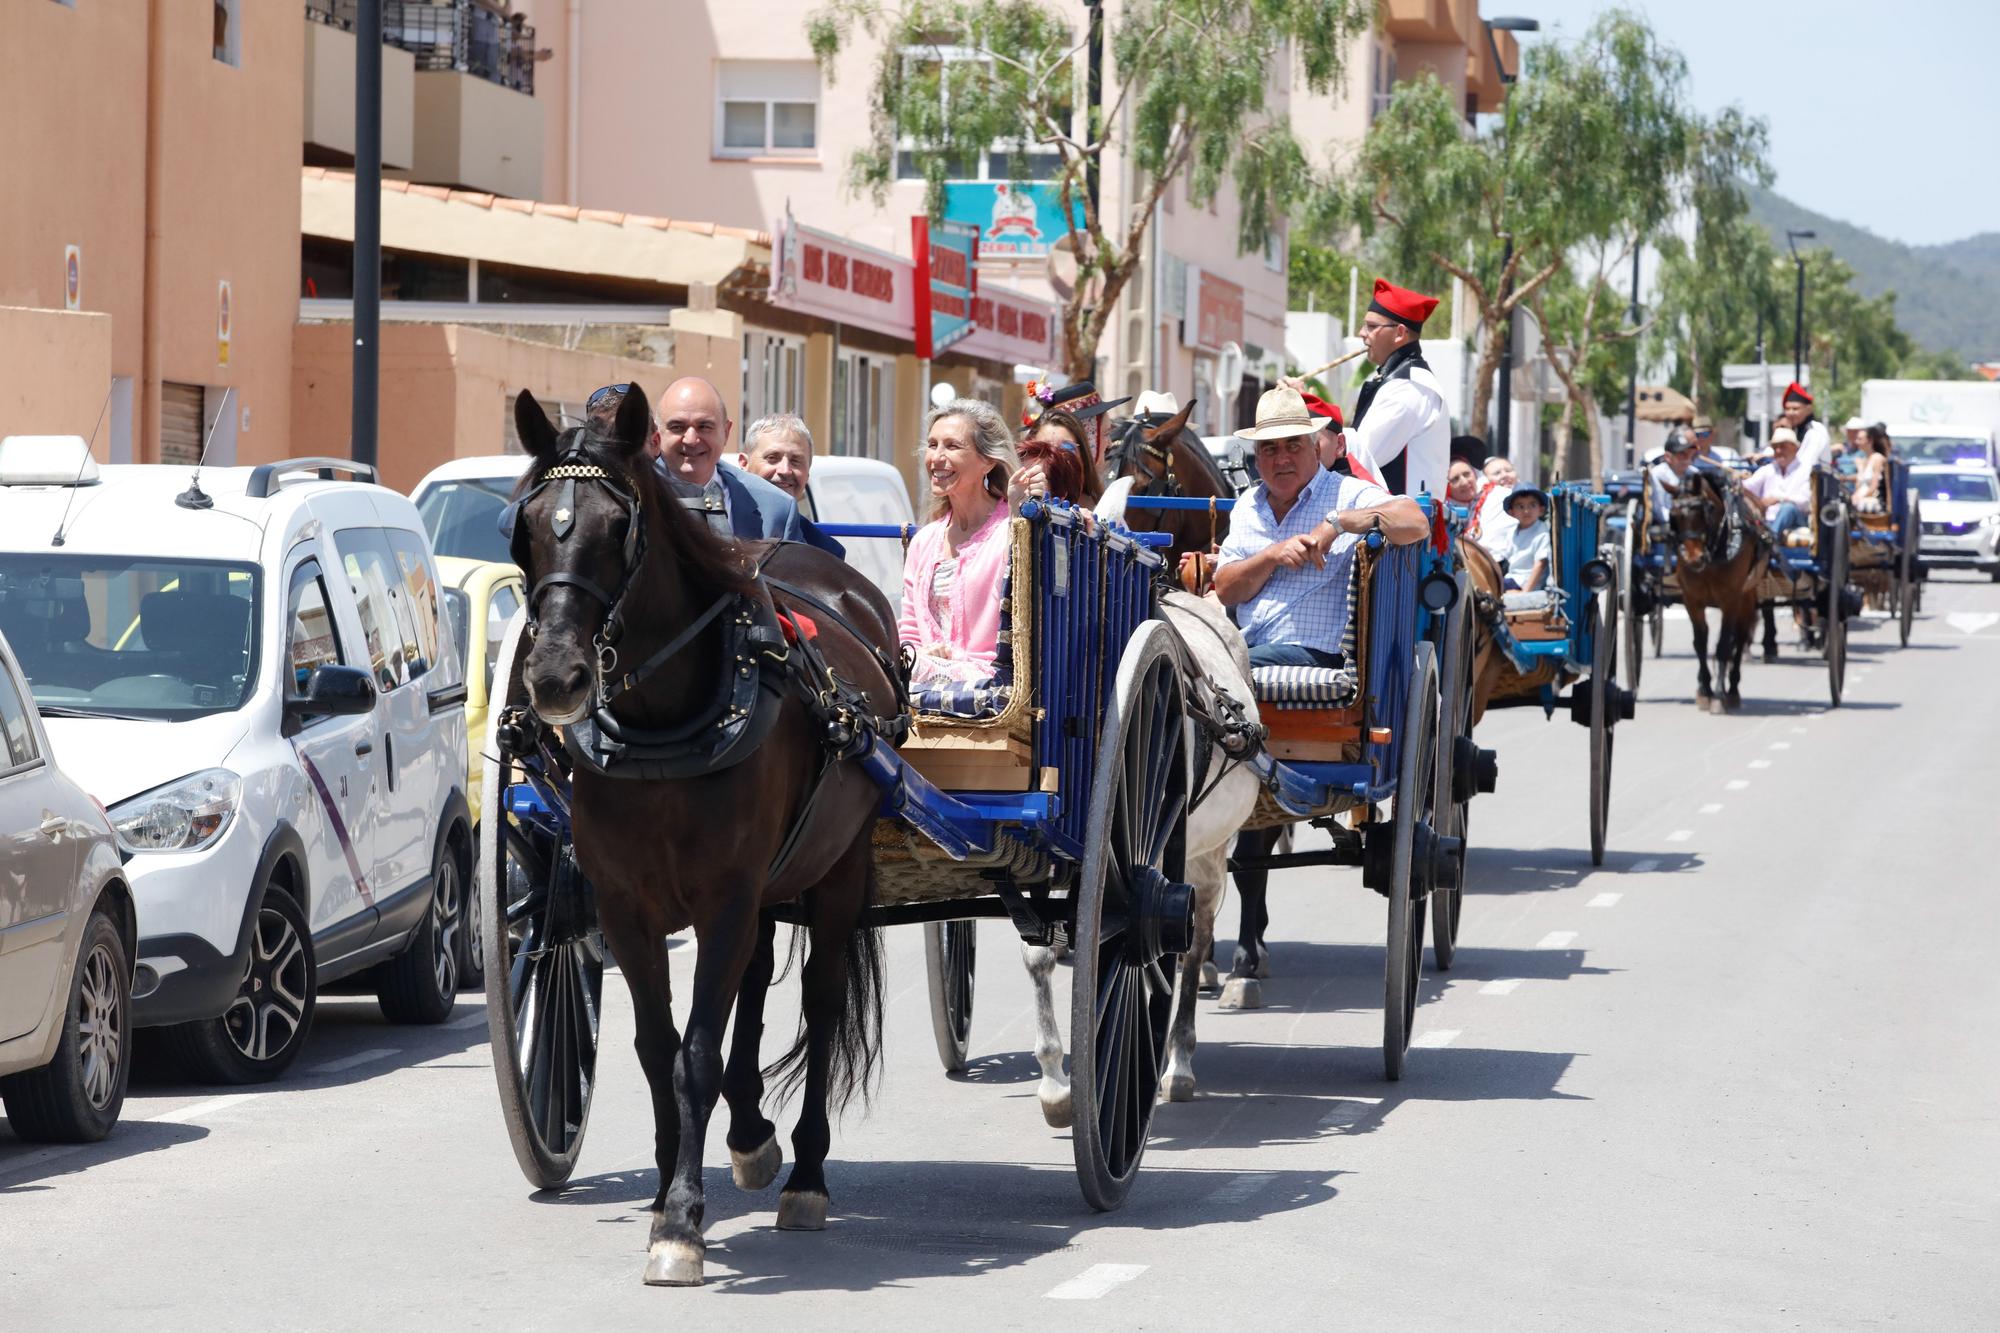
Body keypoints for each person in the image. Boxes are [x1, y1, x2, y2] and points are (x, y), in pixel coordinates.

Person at [1212, 386, 1428, 668]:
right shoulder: (1247, 505)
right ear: (1257, 457)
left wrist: (1337, 523)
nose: (1282, 458)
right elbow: (1226, 591)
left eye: (1293, 445)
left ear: (1315, 449)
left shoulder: (1346, 493)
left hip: (1314, 653)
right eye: (1270, 448)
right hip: (1248, 647)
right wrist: (1272, 556)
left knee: (1214, 670)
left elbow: (1416, 521)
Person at [899, 398, 1019, 687]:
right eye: (932, 445)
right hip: (927, 678)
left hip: (989, 679)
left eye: (952, 446)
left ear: (987, 461)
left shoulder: (1011, 531)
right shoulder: (924, 540)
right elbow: (910, 632)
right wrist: (921, 654)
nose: (936, 458)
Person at [605, 378, 805, 542]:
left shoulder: (776, 508)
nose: (691, 440)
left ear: (726, 433)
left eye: (704, 426)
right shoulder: (622, 498)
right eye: (677, 427)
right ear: (657, 437)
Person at [1346, 278, 1450, 498]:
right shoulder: (1404, 381)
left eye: (1372, 326)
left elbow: (1359, 457)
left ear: (1400, 333)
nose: (1361, 333)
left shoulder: (1408, 387)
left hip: (1399, 528)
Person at [739, 413, 845, 556]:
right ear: (744, 464)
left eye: (795, 461)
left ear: (807, 473)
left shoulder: (825, 551)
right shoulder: (717, 526)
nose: (785, 470)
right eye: (772, 458)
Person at [1009, 407, 1101, 509]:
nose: (1055, 455)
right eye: (1044, 448)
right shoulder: (1015, 501)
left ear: (1082, 455)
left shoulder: (1102, 510)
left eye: (1067, 448)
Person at [1743, 425, 1812, 535]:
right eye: (1775, 447)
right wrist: (1737, 480)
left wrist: (1779, 498)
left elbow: (1806, 502)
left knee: (1788, 509)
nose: (1778, 450)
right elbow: (1747, 487)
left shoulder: (1805, 470)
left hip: (1797, 520)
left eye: (1783, 446)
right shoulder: (1767, 469)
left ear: (1795, 448)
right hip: (1767, 520)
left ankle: (1771, 539)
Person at [1500, 488, 1551, 592]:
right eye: (1520, 506)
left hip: (1526, 582)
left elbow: (1540, 564)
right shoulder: (1512, 532)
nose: (1526, 511)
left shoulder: (1542, 533)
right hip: (1512, 578)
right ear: (1512, 512)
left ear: (1541, 510)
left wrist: (1525, 592)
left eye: (1532, 505)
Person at [1778, 382, 1831, 471]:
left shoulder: (1815, 430)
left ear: (1808, 409)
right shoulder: (1795, 430)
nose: (1790, 413)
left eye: (1795, 409)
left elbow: (1807, 462)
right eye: (1787, 409)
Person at [1651, 429, 1698, 524]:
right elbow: (1659, 508)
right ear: (1668, 457)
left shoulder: (1695, 473)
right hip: (1668, 526)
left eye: (1688, 453)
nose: (1687, 458)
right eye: (1681, 454)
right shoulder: (1657, 474)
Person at [1476, 455, 1519, 557]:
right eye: (1497, 473)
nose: (1504, 475)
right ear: (1485, 479)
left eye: (1508, 470)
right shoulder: (1481, 498)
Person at [1852, 423, 1892, 514]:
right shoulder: (1863, 460)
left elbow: (1874, 486)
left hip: (1873, 500)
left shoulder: (1877, 458)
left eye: (1860, 439)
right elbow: (1859, 486)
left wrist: (1860, 498)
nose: (1857, 442)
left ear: (1870, 441)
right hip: (1860, 498)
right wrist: (1860, 468)